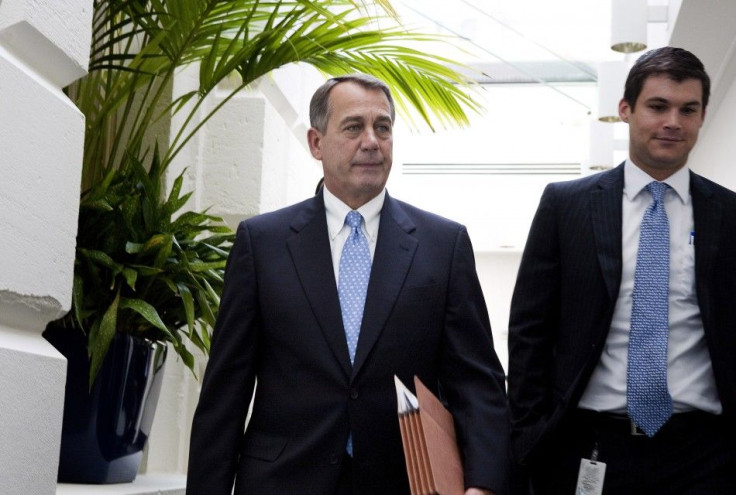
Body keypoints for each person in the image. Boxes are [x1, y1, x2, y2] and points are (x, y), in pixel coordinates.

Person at [186, 73, 510, 495]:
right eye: (354, 127)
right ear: (316, 143)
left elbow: (478, 383)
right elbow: (225, 392)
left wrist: (483, 484)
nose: (372, 141)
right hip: (282, 482)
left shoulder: (443, 246)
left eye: (383, 127)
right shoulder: (262, 244)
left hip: (404, 483)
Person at [507, 46, 736, 494]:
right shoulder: (567, 205)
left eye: (688, 109)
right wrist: (530, 434)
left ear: (702, 117)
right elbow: (530, 330)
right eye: (657, 106)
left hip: (705, 457)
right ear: (625, 109)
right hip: (589, 449)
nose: (673, 121)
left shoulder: (727, 214)